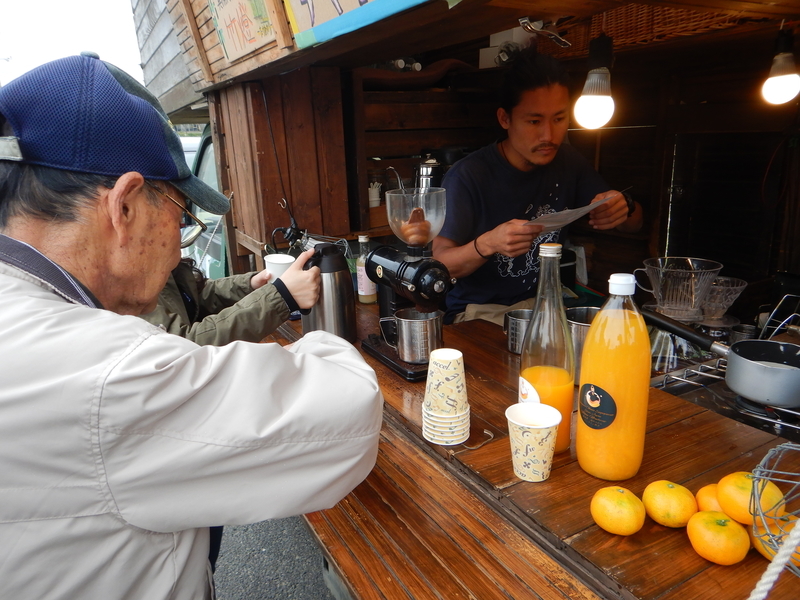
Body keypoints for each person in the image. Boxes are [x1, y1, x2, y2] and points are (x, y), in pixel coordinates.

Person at [0, 53, 383, 600]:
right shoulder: (105, 372)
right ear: (125, 205)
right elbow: (348, 415)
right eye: (183, 214)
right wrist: (326, 333)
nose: (183, 237)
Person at [432, 48, 643, 325]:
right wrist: (488, 243)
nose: (549, 135)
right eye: (534, 121)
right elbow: (441, 266)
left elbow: (635, 224)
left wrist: (622, 206)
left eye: (558, 119)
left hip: (546, 305)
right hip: (479, 313)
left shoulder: (568, 162)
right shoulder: (468, 176)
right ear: (505, 119)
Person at [142, 254, 319, 346]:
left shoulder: (154, 261)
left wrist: (249, 285)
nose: (181, 227)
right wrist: (282, 296)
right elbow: (186, 345)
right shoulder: (130, 285)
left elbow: (196, 296)